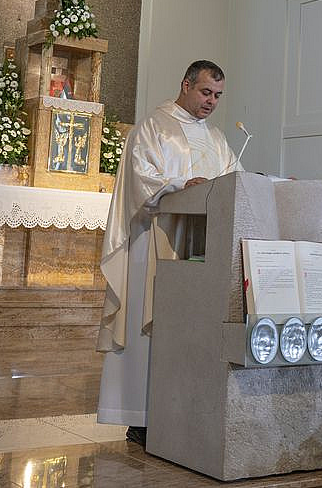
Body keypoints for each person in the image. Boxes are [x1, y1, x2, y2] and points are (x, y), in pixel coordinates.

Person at [96, 60, 239, 446]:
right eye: (206, 92)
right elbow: (140, 179)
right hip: (154, 239)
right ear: (186, 85)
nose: (211, 102)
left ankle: (181, 412)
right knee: (150, 324)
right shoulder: (153, 126)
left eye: (218, 96)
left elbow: (234, 182)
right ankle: (140, 416)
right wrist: (180, 184)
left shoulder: (217, 138)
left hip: (199, 245)